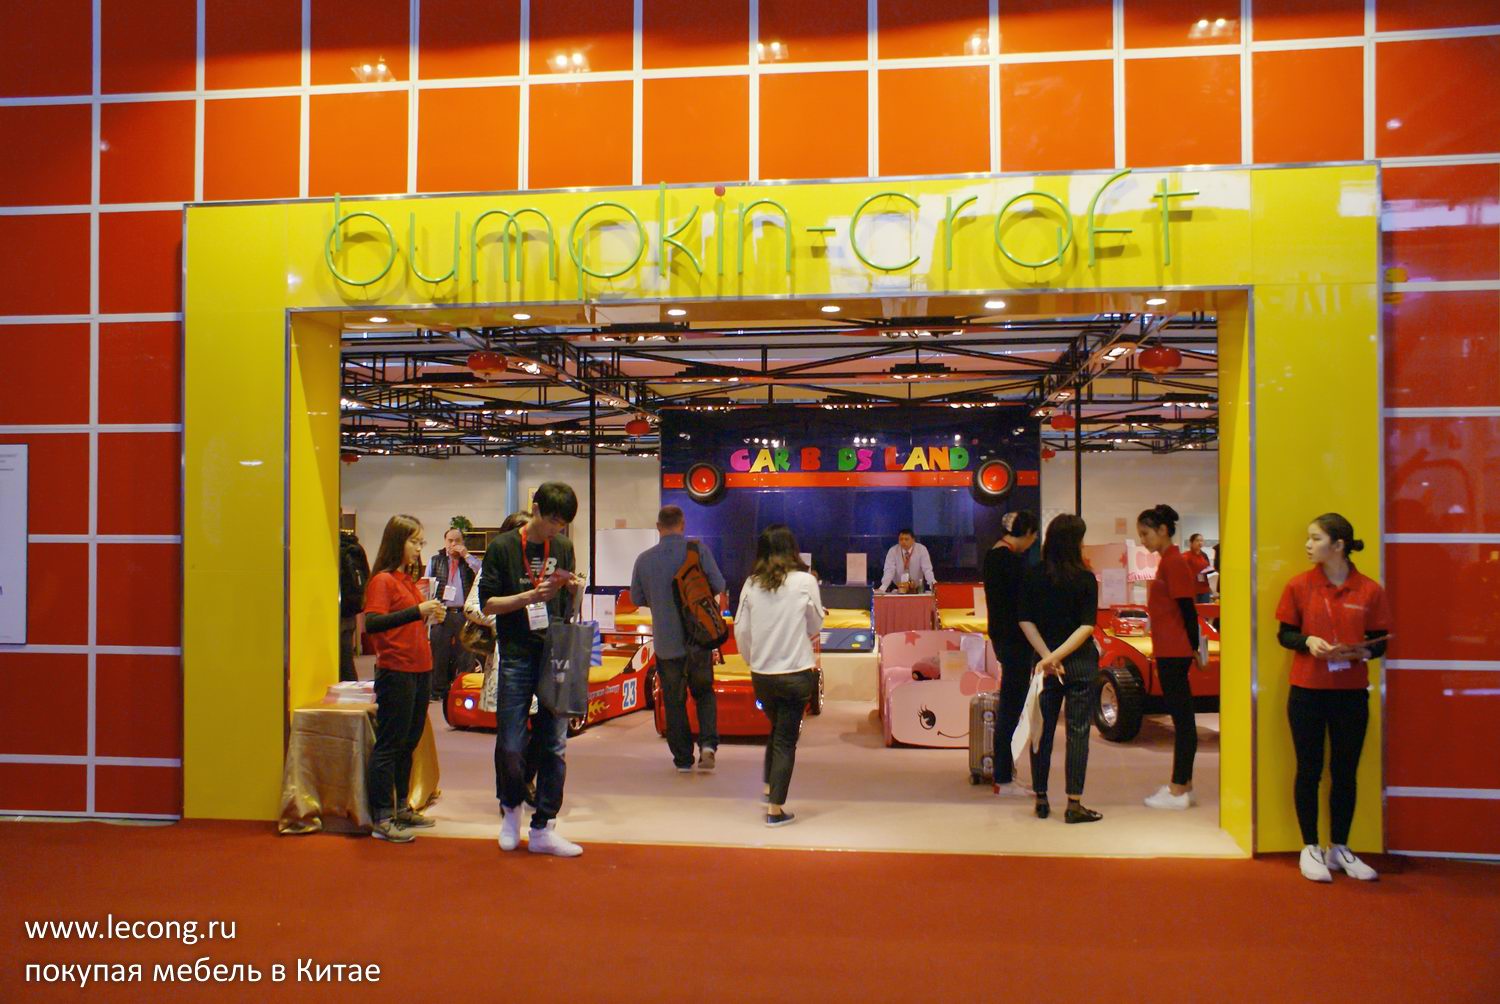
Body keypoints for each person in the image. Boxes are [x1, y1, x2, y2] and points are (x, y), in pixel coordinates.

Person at [1276, 513, 1389, 883]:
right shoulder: (1299, 585)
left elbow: (1380, 641)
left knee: (1345, 772)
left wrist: (1363, 652)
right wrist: (1308, 641)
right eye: (1308, 538)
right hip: (1307, 692)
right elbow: (1285, 634)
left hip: (1351, 694)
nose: (1308, 545)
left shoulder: (1370, 590)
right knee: (1308, 770)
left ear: (1338, 545)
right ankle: (1310, 846)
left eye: (1315, 538)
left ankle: (1339, 847)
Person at [478, 483, 585, 857]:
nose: (556, 529)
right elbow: (487, 604)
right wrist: (529, 597)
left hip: (554, 651)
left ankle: (544, 826)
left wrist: (572, 589)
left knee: (554, 744)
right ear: (535, 509)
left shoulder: (564, 547)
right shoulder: (503, 547)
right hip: (516, 653)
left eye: (562, 524)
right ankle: (510, 810)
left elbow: (568, 609)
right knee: (510, 742)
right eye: (552, 520)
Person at [733, 524, 825, 827]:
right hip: (796, 672)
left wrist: (752, 660)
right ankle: (775, 810)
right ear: (792, 549)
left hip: (762, 675)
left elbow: (741, 630)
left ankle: (768, 786)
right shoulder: (805, 581)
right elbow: (815, 625)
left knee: (777, 729)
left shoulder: (751, 583)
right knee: (786, 738)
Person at [362, 515, 446, 843]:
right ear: (397, 541)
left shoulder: (405, 580)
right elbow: (372, 623)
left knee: (408, 742)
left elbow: (408, 621)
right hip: (396, 669)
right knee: (391, 743)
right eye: (414, 541)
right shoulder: (383, 581)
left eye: (421, 542)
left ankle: (399, 807)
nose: (418, 548)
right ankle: (382, 816)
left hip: (419, 668)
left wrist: (428, 614)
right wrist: (417, 611)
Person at [630, 505, 727, 773]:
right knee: (704, 693)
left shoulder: (644, 559)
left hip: (666, 643)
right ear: (682, 524)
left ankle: (683, 758)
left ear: (658, 527)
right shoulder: (698, 551)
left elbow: (636, 597)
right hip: (699, 638)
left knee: (673, 700)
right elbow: (719, 585)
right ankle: (707, 746)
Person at [1019, 514, 1102, 824]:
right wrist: (1058, 657)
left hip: (1045, 667)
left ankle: (1041, 798)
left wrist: (1046, 657)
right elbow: (1087, 627)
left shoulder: (1033, 575)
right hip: (1079, 663)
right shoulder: (1085, 578)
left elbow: (1025, 619)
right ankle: (1074, 803)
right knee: (1078, 732)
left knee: (1041, 730)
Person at [1135, 504, 1204, 811]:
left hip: (1175, 651)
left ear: (1162, 530)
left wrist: (1193, 647)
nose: (1143, 540)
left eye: (1146, 533)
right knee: (1182, 718)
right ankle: (1183, 784)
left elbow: (1188, 609)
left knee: (1183, 720)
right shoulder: (1169, 561)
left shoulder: (1174, 562)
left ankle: (1178, 787)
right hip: (1170, 648)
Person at [982, 511, 1040, 797]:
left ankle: (1005, 774)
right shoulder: (1010, 561)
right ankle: (1003, 777)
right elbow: (1024, 604)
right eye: (1032, 538)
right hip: (1015, 640)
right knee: (1011, 708)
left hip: (1003, 638)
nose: (1032, 543)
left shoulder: (993, 555)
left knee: (1010, 705)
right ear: (1026, 533)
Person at [427, 526, 483, 705]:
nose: (453, 544)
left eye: (457, 540)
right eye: (450, 540)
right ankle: (438, 691)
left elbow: (481, 572)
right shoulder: (435, 561)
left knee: (465, 653)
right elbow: (426, 584)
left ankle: (463, 688)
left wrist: (466, 555)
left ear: (462, 542)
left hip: (463, 613)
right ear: (445, 542)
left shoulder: (468, 562)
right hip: (441, 612)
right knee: (439, 652)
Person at [338, 529, 370, 682]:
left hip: (337, 612)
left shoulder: (333, 549)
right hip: (350, 609)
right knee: (346, 658)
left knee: (342, 660)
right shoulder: (354, 547)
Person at [878, 529, 935, 593]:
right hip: (898, 587)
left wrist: (933, 585)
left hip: (916, 588)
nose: (903, 542)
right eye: (901, 539)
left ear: (913, 540)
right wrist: (883, 587)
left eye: (906, 539)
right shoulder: (893, 551)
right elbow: (889, 570)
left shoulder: (921, 549)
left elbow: (927, 569)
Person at [1183, 533, 1214, 602]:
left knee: (1205, 608)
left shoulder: (1204, 555)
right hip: (1191, 589)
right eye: (1197, 540)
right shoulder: (1185, 556)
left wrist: (1211, 569)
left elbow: (1207, 568)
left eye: (1201, 541)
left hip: (1204, 588)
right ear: (1191, 543)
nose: (1200, 543)